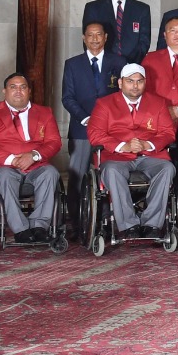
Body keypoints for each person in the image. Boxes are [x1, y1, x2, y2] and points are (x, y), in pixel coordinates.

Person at [87, 64, 178, 241]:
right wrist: (123, 146)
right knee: (112, 171)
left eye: (139, 81)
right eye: (130, 81)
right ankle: (129, 225)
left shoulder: (158, 103)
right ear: (120, 83)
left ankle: (151, 223)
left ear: (145, 83)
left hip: (150, 155)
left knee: (167, 168)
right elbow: (95, 134)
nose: (135, 86)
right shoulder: (104, 104)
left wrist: (147, 144)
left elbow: (168, 133)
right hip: (116, 157)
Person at [0, 74, 63, 245]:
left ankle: (39, 226)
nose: (18, 91)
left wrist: (34, 155)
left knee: (50, 173)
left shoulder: (44, 112)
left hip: (36, 165)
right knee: (6, 176)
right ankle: (20, 229)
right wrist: (10, 160)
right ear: (4, 91)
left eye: (23, 87)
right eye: (13, 87)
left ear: (29, 91)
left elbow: (54, 142)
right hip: (1, 167)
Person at [61, 20, 123, 228]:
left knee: (108, 173)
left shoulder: (119, 62)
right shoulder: (72, 64)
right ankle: (77, 224)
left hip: (112, 129)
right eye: (90, 35)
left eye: (99, 35)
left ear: (106, 37)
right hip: (81, 129)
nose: (95, 39)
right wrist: (87, 118)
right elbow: (67, 98)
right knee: (77, 176)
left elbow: (125, 96)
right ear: (83, 38)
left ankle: (107, 219)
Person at [81, 0, 152, 64]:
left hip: (131, 66)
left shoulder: (142, 9)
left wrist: (129, 64)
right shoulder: (93, 8)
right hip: (102, 65)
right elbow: (88, 40)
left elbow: (144, 42)